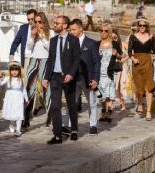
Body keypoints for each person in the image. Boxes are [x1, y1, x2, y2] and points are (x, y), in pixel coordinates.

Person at [42, 15, 80, 144]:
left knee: (71, 105)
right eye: (54, 22)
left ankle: (74, 130)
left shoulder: (74, 40)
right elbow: (50, 60)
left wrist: (71, 74)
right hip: (55, 77)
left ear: (64, 25)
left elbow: (76, 60)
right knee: (55, 106)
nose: (54, 24)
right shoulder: (53, 41)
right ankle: (57, 135)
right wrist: (46, 77)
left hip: (68, 77)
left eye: (57, 23)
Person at [66, 19, 101, 135]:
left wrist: (96, 79)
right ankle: (71, 125)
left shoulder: (91, 43)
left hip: (87, 78)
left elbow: (97, 63)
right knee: (71, 102)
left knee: (92, 102)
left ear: (81, 29)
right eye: (70, 30)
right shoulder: (68, 43)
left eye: (74, 29)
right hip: (73, 78)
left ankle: (93, 125)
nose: (71, 32)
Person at [23, 12, 55, 129]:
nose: (37, 24)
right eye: (35, 22)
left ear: (44, 22)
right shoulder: (32, 32)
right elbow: (29, 48)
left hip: (46, 61)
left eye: (39, 22)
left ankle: (50, 117)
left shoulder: (50, 32)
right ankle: (26, 118)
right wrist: (32, 37)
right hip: (34, 60)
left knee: (46, 89)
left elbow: (51, 48)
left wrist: (42, 37)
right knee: (29, 88)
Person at [128, 18, 155, 121]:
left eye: (143, 25)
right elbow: (129, 52)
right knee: (137, 86)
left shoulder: (151, 37)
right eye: (140, 25)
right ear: (137, 26)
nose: (141, 27)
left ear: (147, 27)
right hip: (136, 63)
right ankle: (140, 102)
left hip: (148, 63)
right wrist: (133, 58)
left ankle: (149, 111)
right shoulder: (133, 37)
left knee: (148, 88)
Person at [98, 23, 122, 122]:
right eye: (101, 30)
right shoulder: (97, 43)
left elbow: (121, 56)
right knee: (102, 94)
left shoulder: (114, 43)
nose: (103, 32)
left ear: (109, 32)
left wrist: (116, 55)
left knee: (109, 93)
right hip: (99, 71)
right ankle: (103, 112)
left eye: (106, 31)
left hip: (110, 71)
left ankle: (109, 114)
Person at [0, 61, 29, 137]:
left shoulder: (22, 79)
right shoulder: (8, 78)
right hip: (10, 98)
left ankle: (18, 130)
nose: (14, 72)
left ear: (19, 71)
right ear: (10, 71)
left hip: (19, 97)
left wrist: (26, 98)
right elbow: (0, 84)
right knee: (11, 112)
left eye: (16, 70)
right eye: (12, 70)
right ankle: (12, 124)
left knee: (19, 113)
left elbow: (23, 90)